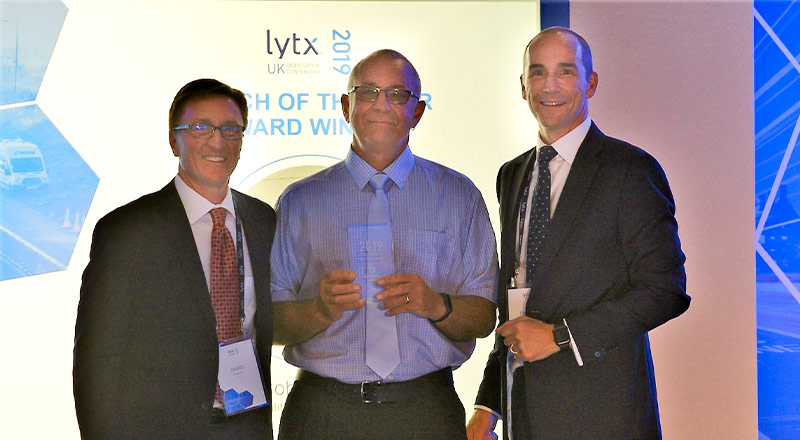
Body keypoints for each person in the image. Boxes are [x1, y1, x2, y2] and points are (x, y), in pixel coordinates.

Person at [468, 27, 691, 440]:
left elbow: (665, 291)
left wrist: (559, 336)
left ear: (590, 82)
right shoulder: (512, 175)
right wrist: (489, 405)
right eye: (537, 73)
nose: (549, 86)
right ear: (522, 86)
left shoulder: (629, 170)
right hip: (525, 412)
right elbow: (516, 297)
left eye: (565, 72)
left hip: (605, 416)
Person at [270, 49, 498, 440]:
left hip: (425, 410)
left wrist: (434, 304)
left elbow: (483, 317)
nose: (381, 105)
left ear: (419, 112)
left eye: (397, 94)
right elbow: (271, 324)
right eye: (368, 92)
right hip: (321, 412)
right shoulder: (299, 201)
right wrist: (319, 309)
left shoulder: (459, 196)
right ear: (346, 106)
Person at [73, 79, 276, 439]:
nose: (218, 141)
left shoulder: (263, 221)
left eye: (231, 129)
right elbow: (97, 362)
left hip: (246, 426)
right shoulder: (128, 231)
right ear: (173, 140)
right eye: (201, 128)